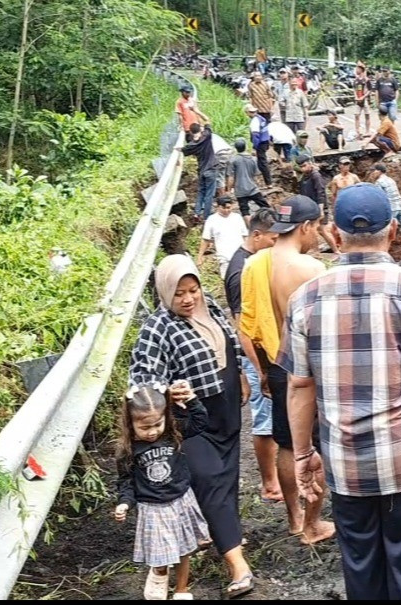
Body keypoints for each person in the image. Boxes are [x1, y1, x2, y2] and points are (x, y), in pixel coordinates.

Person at [278, 183, 401, 600]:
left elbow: (299, 384)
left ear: (334, 234)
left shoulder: (305, 299)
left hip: (345, 466)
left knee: (361, 571)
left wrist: (301, 454)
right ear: (392, 233)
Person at [130, 255, 255, 599]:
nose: (188, 299)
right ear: (164, 292)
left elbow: (228, 340)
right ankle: (237, 564)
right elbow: (141, 382)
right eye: (179, 294)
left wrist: (241, 373)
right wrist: (167, 391)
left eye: (193, 290)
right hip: (193, 419)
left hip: (226, 406)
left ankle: (218, 531)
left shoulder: (209, 305)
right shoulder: (157, 328)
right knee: (211, 479)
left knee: (226, 475)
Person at [240, 195, 336, 546]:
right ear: (306, 227)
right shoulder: (310, 269)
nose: (318, 236)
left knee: (286, 442)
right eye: (317, 228)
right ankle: (314, 523)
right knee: (315, 444)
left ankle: (294, 518)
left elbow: (248, 324)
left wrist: (262, 370)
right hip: (309, 368)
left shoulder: (255, 263)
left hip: (277, 365)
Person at [115, 382, 211, 601]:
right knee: (159, 551)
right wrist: (124, 503)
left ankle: (182, 589)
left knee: (184, 548)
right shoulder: (128, 450)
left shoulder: (172, 433)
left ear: (165, 416)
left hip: (180, 500)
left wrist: (190, 399)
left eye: (157, 424)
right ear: (130, 424)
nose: (152, 432)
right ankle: (159, 572)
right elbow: (125, 481)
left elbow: (200, 422)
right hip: (152, 507)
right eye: (145, 427)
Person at [225, 209, 283, 504]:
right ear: (257, 235)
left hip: (262, 352)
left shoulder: (251, 262)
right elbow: (241, 327)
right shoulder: (241, 270)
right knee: (264, 420)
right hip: (255, 355)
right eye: (273, 238)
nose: (276, 244)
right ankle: (270, 483)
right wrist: (260, 369)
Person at [296, 156, 340, 254]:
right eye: (301, 167)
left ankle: (320, 250)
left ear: (310, 163)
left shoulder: (316, 175)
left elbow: (321, 192)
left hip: (318, 207)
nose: (303, 168)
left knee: (316, 229)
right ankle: (334, 250)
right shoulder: (304, 177)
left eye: (304, 165)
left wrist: (320, 209)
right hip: (310, 207)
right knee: (321, 230)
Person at [369, 163, 401, 253]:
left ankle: (384, 252)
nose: (372, 173)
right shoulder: (391, 180)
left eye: (373, 171)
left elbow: (380, 198)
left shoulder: (379, 182)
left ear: (379, 171)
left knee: (387, 230)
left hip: (392, 208)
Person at [197, 197, 248, 278]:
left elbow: (245, 236)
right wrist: (200, 256)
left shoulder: (237, 217)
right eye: (223, 208)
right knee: (228, 281)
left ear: (232, 206)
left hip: (240, 256)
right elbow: (205, 239)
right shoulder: (212, 219)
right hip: (224, 258)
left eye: (228, 208)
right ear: (218, 207)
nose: (226, 210)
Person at [181, 123, 219, 221]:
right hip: (211, 168)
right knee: (209, 194)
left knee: (201, 192)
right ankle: (207, 217)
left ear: (191, 132)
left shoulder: (191, 145)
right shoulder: (207, 136)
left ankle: (197, 214)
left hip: (202, 170)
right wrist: (196, 111)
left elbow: (182, 150)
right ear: (200, 130)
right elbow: (207, 122)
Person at [227, 139, 270, 221]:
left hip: (240, 190)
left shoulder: (233, 160)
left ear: (236, 148)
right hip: (252, 188)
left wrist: (229, 190)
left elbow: (231, 177)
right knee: (265, 206)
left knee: (245, 211)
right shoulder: (253, 159)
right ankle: (269, 223)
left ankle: (250, 229)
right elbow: (257, 174)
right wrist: (258, 184)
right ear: (245, 147)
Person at [245, 104, 274, 187]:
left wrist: (254, 147)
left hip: (260, 143)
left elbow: (255, 135)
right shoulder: (261, 118)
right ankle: (266, 181)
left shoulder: (254, 121)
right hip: (265, 141)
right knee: (261, 162)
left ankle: (268, 183)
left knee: (262, 162)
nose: (252, 113)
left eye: (252, 112)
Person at [352, 63, 375, 139]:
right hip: (358, 100)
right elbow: (354, 89)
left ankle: (367, 131)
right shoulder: (356, 80)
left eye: (357, 69)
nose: (356, 70)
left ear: (361, 70)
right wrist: (356, 96)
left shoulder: (366, 80)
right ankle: (357, 131)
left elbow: (369, 90)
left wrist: (363, 97)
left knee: (367, 115)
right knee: (356, 115)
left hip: (365, 100)